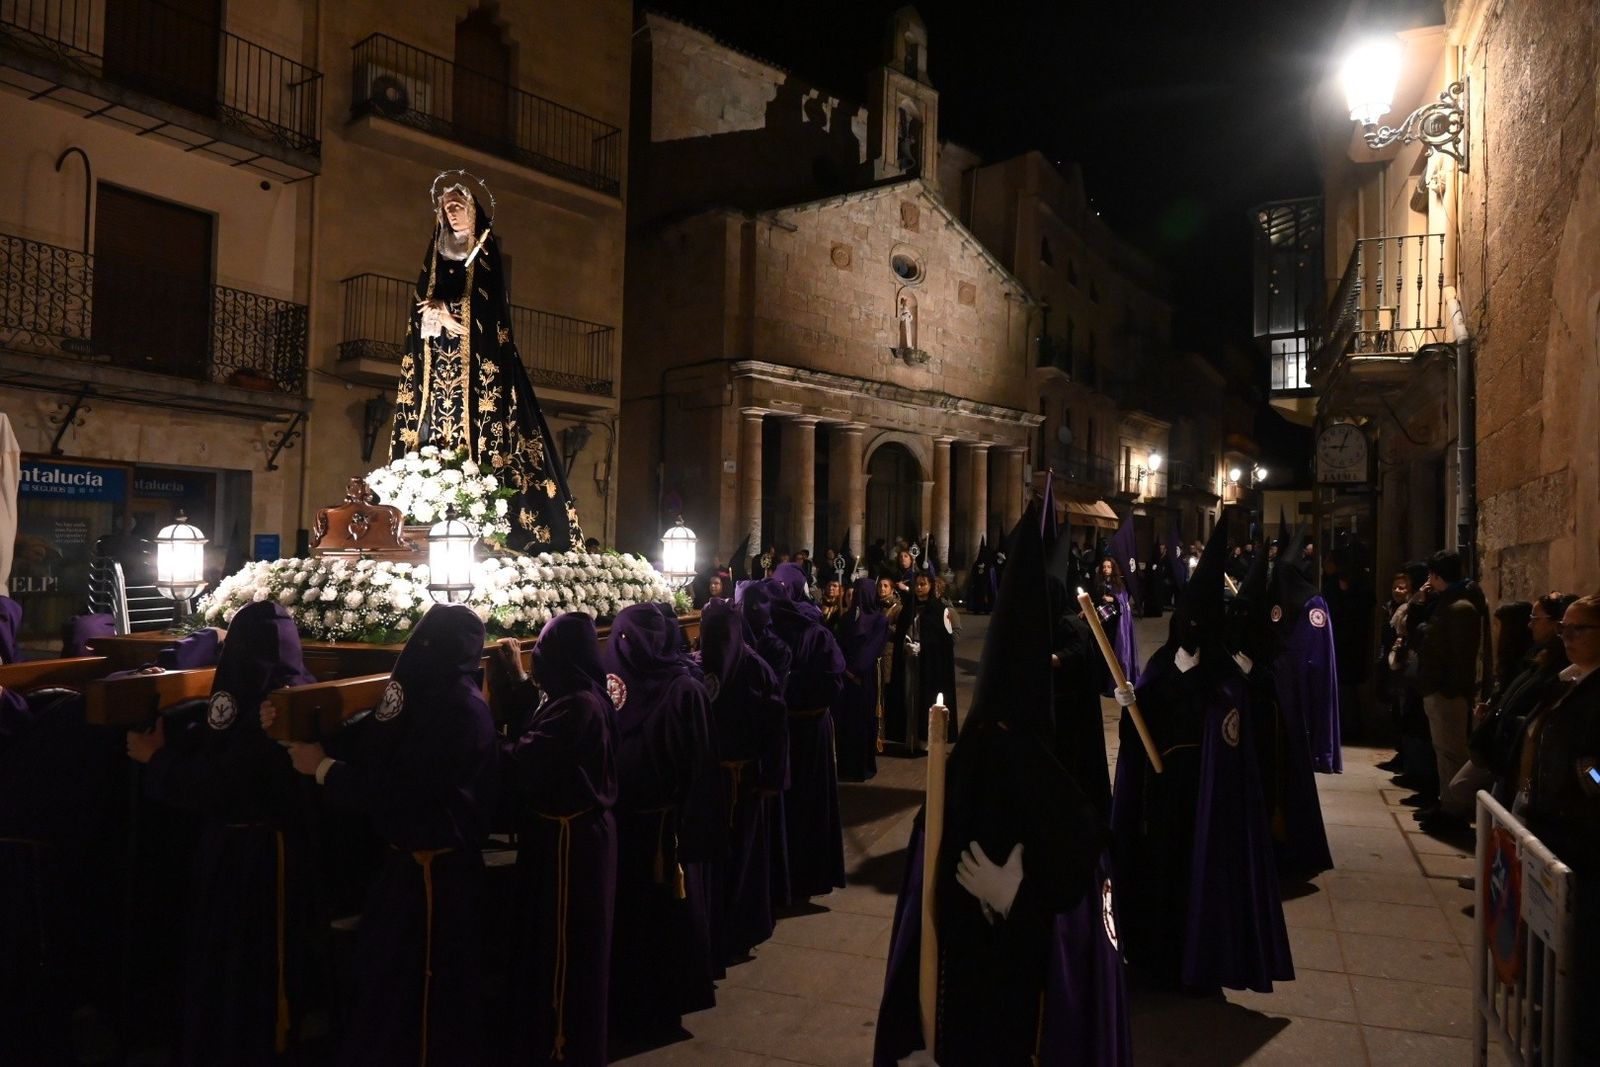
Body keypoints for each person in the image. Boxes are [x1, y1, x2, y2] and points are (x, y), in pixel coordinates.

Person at [875, 506, 1125, 1066]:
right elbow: (922, 916)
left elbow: (1087, 945)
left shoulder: (1063, 808)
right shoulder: (959, 783)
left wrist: (1021, 902)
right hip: (963, 1024)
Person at [285, 603, 497, 1066]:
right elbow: (382, 746)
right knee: (386, 986)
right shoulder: (437, 696)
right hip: (408, 870)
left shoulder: (458, 710)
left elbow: (404, 789)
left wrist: (324, 769)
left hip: (436, 876)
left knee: (422, 991)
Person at [118, 603, 313, 1064]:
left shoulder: (266, 705)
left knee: (234, 971)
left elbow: (224, 784)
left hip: (243, 859)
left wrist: (156, 759)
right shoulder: (298, 690)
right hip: (279, 850)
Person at [1112, 517, 1293, 993]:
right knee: (1160, 878)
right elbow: (1139, 732)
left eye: (1198, 622)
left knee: (1196, 882)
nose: (1188, 629)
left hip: (1203, 804)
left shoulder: (1224, 681)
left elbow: (1229, 742)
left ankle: (1200, 961)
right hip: (1160, 796)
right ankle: (1155, 957)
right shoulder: (1158, 666)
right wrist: (1132, 710)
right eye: (1183, 619)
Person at [388, 170, 583, 550]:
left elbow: (491, 312)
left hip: (477, 373)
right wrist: (432, 315)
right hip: (438, 369)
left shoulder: (486, 257)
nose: (454, 213)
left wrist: (452, 312)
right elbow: (419, 310)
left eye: (460, 206)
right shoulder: (436, 259)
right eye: (448, 208)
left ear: (475, 212)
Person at [497, 613, 617, 1066]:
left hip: (571, 845)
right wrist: (519, 679)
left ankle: (561, 1042)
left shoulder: (579, 705)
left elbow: (530, 757)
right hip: (567, 836)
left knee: (566, 948)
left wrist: (481, 741)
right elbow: (540, 720)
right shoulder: (580, 694)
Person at [601, 604, 717, 1043]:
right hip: (628, 825)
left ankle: (656, 1006)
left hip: (659, 833)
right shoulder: (616, 685)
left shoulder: (681, 690)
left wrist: (692, 833)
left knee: (658, 918)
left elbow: (698, 766)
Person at [1519, 593, 1600, 1061]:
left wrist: (1586, 777)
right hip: (1554, 826)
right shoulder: (1568, 681)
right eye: (1564, 628)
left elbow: (1595, 774)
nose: (1566, 637)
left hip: (1581, 836)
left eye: (1578, 629)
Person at [696, 600, 787, 963]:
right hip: (711, 781)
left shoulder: (755, 669)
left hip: (746, 781)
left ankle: (741, 929)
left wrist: (771, 777)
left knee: (745, 856)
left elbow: (776, 725)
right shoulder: (698, 668)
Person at [767, 565, 848, 900]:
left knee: (794, 801)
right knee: (802, 802)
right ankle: (802, 874)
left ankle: (790, 875)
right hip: (803, 726)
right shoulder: (803, 629)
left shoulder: (783, 628)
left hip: (792, 726)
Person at [1413, 549, 1491, 834]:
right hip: (1442, 688)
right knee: (1442, 749)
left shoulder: (1459, 607)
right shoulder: (1451, 602)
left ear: (1435, 575)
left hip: (1448, 693)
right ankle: (1446, 802)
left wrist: (1447, 690)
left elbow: (1460, 656)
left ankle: (1453, 809)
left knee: (1450, 751)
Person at [1471, 593, 1574, 805]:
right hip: (1509, 751)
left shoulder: (1564, 672)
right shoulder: (1540, 658)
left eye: (1535, 619)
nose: (1568, 635)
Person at [1270, 530, 1343, 775]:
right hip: (1283, 671)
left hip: (1307, 671)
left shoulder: (1314, 603)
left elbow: (1317, 643)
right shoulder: (1278, 599)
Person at [886, 570, 958, 752]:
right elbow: (901, 633)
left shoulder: (939, 610)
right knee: (909, 697)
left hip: (930, 667)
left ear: (931, 585)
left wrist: (924, 647)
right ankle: (909, 736)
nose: (919, 588)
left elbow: (945, 643)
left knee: (927, 698)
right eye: (917, 584)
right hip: (909, 664)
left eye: (923, 584)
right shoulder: (908, 609)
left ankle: (926, 738)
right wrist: (905, 644)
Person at [834, 576, 892, 783]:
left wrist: (855, 670)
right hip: (845, 679)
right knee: (845, 722)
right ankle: (844, 764)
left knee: (862, 722)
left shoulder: (879, 621)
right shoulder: (846, 618)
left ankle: (861, 767)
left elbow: (872, 649)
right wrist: (843, 668)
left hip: (863, 679)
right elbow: (838, 645)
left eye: (860, 593)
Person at [1091, 556, 1140, 687]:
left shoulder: (1119, 584)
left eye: (1109, 567)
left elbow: (1123, 604)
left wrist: (1113, 600)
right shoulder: (1099, 582)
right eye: (1104, 567)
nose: (1106, 569)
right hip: (1103, 623)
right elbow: (1096, 601)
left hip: (1116, 625)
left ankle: (1116, 682)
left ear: (1113, 569)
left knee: (1114, 652)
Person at [963, 536, 997, 614]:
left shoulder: (989, 565)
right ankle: (977, 609)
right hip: (978, 585)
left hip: (986, 585)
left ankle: (986, 609)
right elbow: (973, 575)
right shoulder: (976, 564)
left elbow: (991, 577)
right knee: (978, 596)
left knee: (986, 597)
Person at [1144, 542, 1174, 617]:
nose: (1161, 550)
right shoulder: (1152, 560)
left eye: (1162, 548)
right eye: (1160, 548)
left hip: (1162, 582)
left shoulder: (1167, 559)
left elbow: (1169, 571)